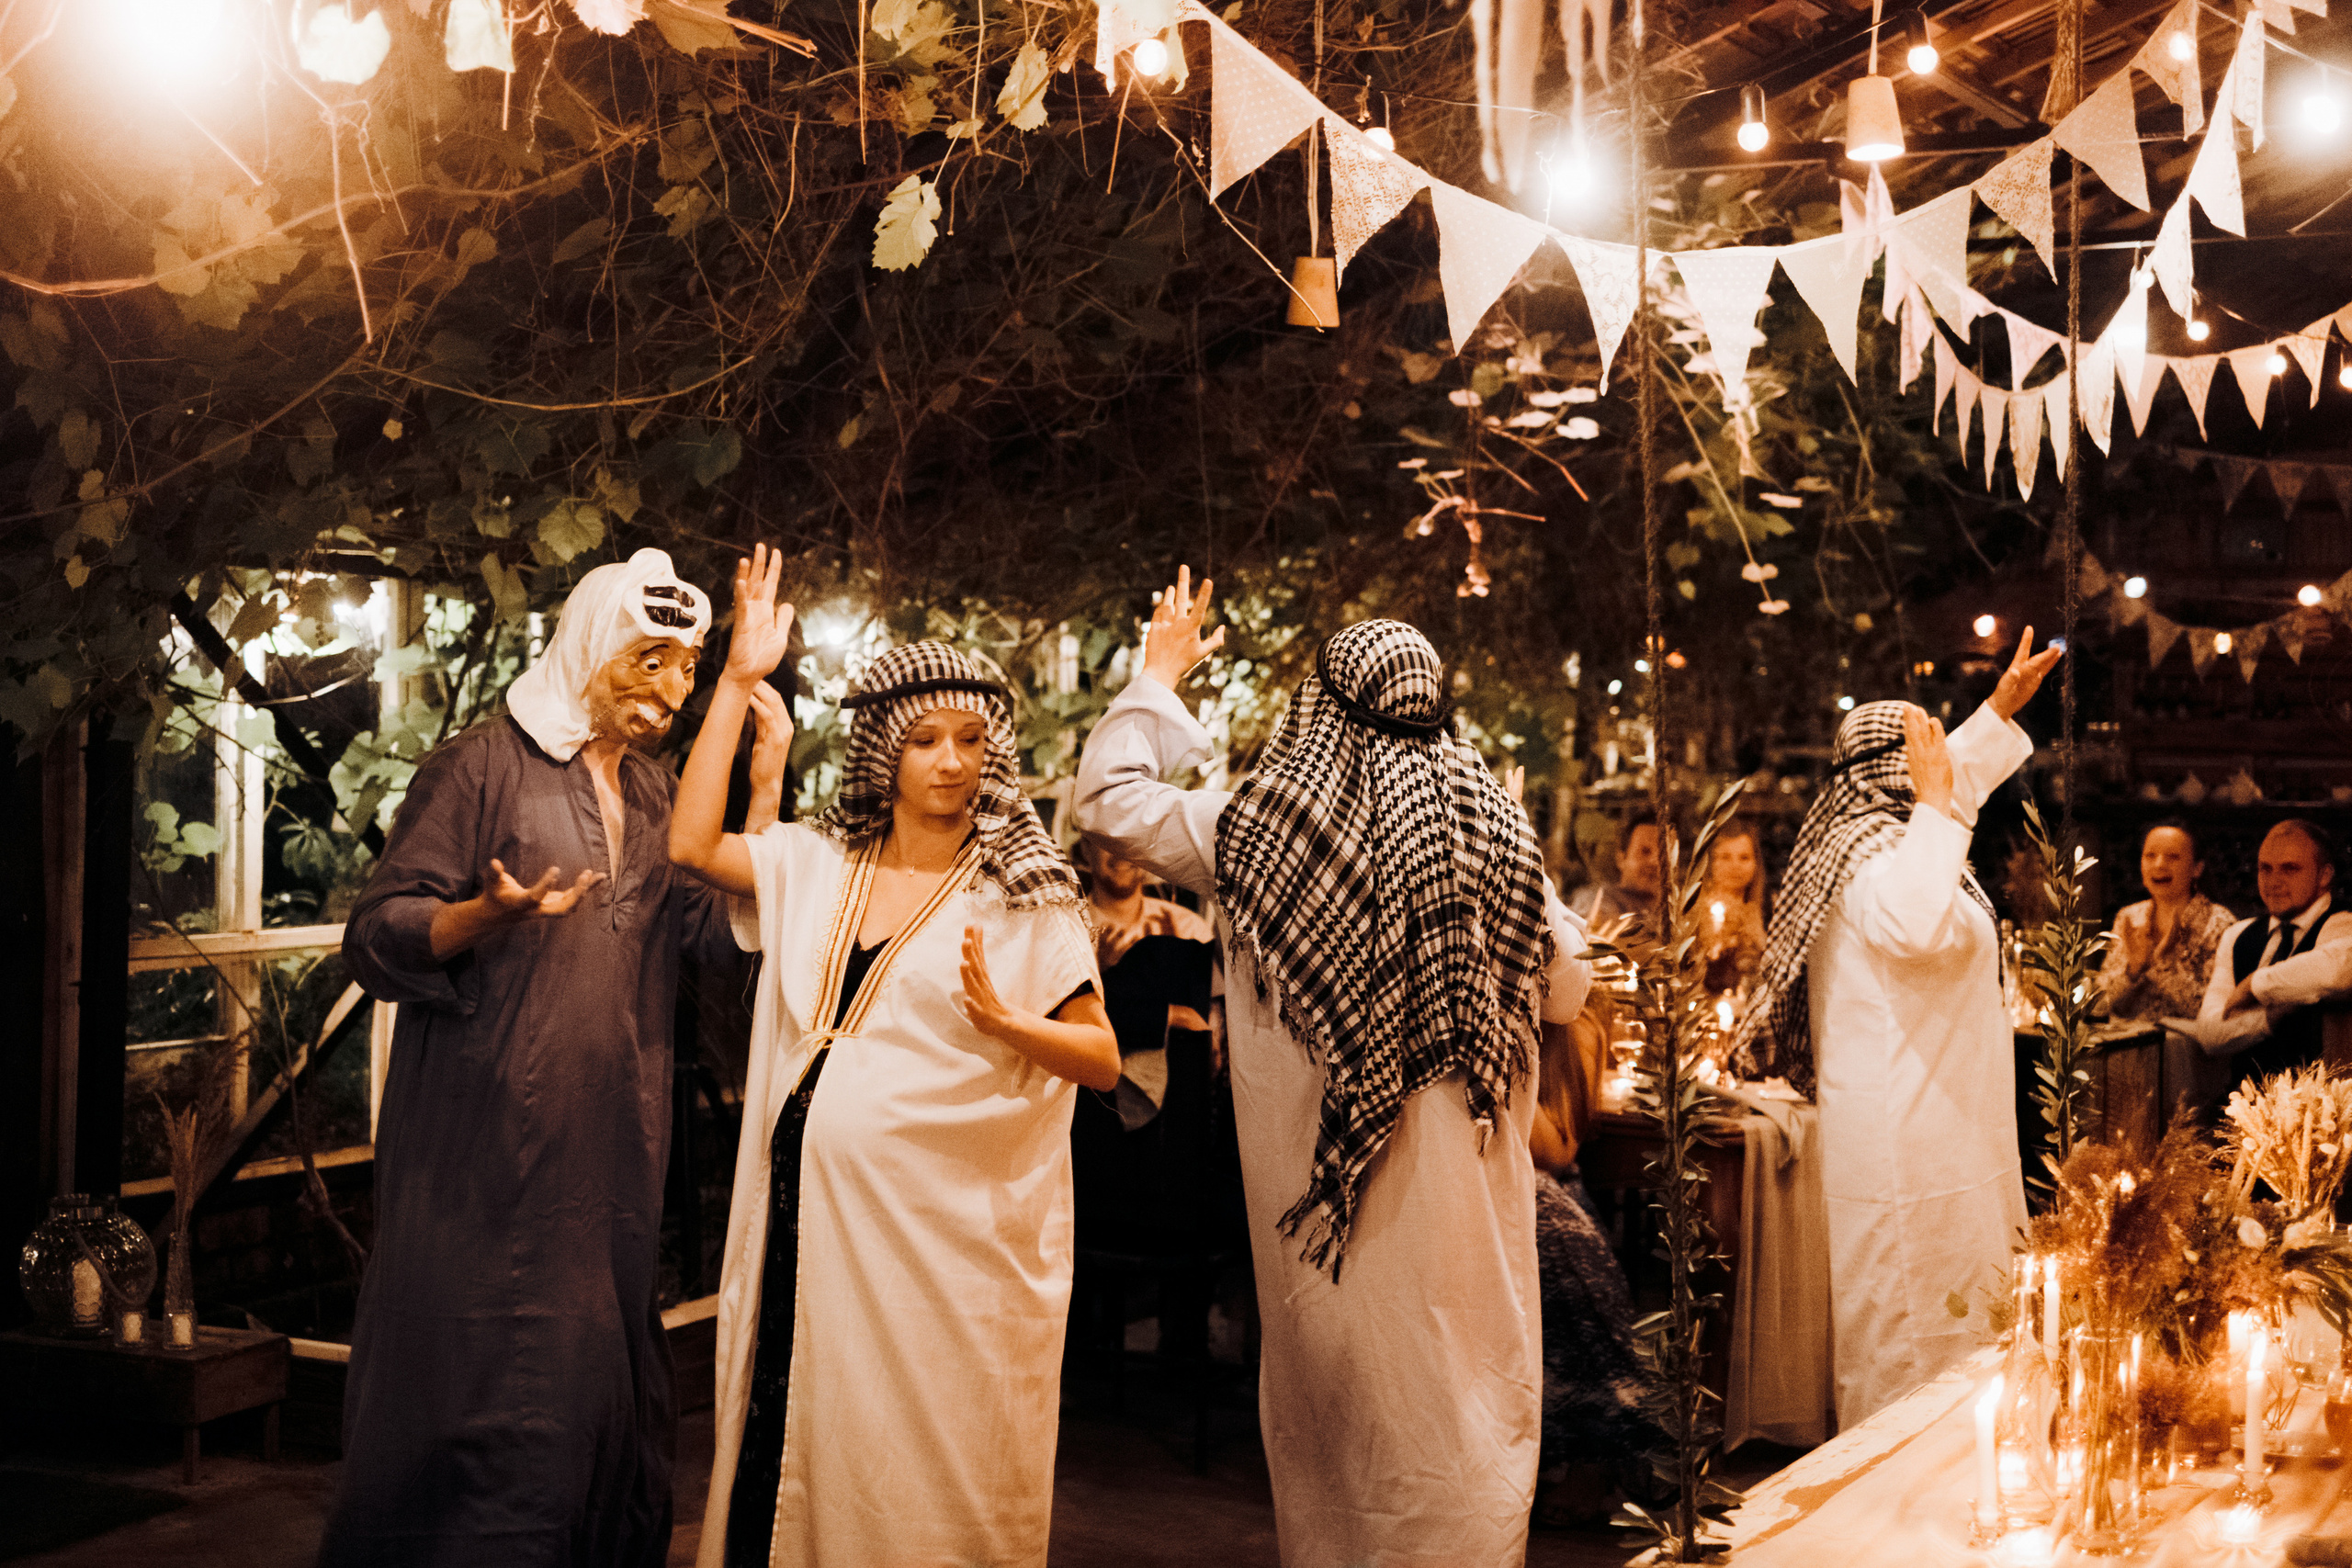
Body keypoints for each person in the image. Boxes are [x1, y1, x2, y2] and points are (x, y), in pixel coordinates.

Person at [1073, 569, 1593, 1568]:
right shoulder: (1496, 839)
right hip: (1469, 1228)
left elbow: (1108, 800)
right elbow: (1566, 991)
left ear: (1318, 708)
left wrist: (1158, 678)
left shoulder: (1255, 833)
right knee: (1465, 1426)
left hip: (1325, 1224)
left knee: (1340, 1442)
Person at [325, 548, 788, 1568]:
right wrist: (472, 918)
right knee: (470, 1371)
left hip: (611, 1152)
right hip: (479, 1149)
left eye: (687, 669)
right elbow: (374, 933)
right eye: (651, 663)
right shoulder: (480, 768)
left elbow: (718, 933)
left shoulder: (663, 793)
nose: (672, 692)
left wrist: (761, 794)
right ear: (595, 647)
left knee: (589, 1379)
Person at [671, 546, 1118, 1568]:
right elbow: (690, 846)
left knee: (915, 1467)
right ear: (884, 751)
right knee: (792, 1445)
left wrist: (1010, 1026)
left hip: (938, 1256)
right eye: (924, 741)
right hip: (803, 1227)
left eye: (969, 740)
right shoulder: (822, 861)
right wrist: (739, 682)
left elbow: (1099, 1058)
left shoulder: (1021, 887)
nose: (951, 761)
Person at [1734, 630, 2060, 1427]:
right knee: (1909, 1351)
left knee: (1966, 1337)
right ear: (1897, 773)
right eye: (1925, 757)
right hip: (1905, 1157)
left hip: (1949, 1136)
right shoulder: (1868, 858)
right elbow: (1917, 921)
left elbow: (1951, 803)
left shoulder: (1902, 839)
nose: (1941, 771)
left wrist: (1995, 712)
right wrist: (1937, 795)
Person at [1525, 988, 1669, 1527]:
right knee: (1559, 1234)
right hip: (1500, 1180)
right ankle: (1612, 1437)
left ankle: (1603, 1446)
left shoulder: (1577, 1014)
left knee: (1564, 1227)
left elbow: (1559, 1148)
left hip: (1548, 1177)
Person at [2188, 818, 2352, 1090]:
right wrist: (2267, 1018)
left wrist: (2255, 985)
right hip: (2246, 1111)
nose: (2274, 881)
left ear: (2324, 876)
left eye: (2290, 869)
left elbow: (2337, 968)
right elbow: (2210, 1033)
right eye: (2265, 868)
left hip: (2323, 1114)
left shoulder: (2342, 923)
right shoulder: (2238, 934)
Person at [2096, 822, 2237, 1112]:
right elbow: (2100, 1003)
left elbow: (2207, 1011)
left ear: (2197, 868)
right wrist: (2133, 970)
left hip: (2188, 1065)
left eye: (2173, 857)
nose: (2159, 864)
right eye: (2150, 855)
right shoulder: (2129, 917)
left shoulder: (2220, 923)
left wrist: (2156, 965)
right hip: (2126, 1058)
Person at [1700, 821, 1770, 996]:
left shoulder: (1766, 911)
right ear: (1710, 863)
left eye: (1744, 857)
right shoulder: (1696, 913)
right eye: (1725, 857)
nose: (1735, 865)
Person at [1574, 808, 1662, 931]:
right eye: (1645, 851)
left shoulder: (1675, 912)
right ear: (1621, 859)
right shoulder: (1595, 900)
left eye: (1664, 856)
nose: (1655, 862)